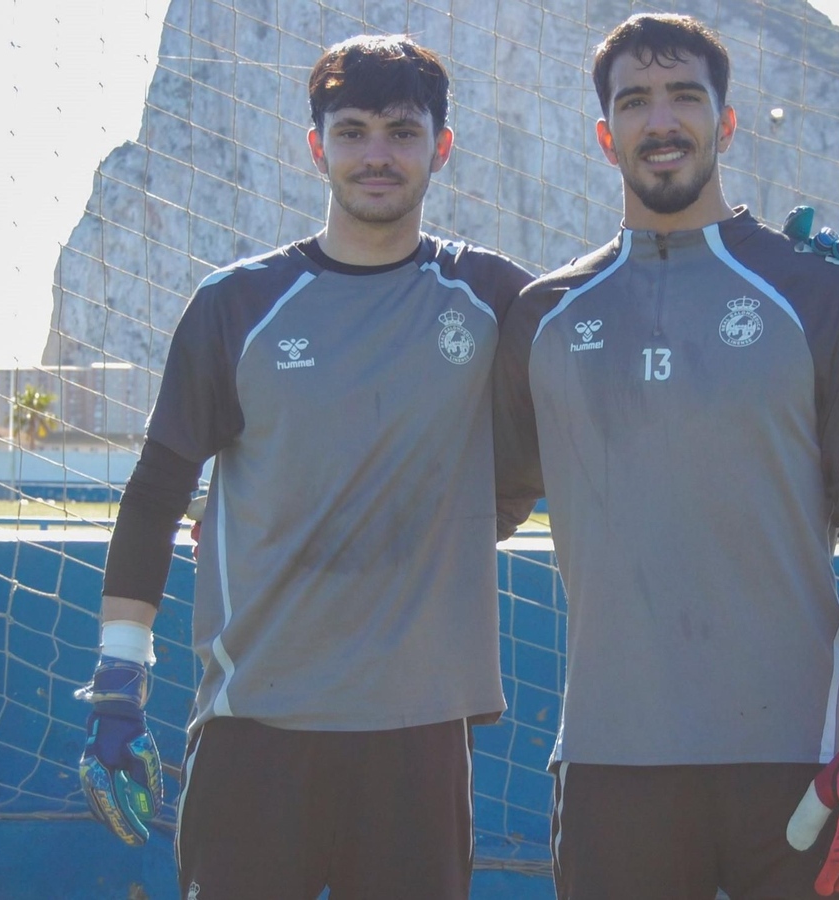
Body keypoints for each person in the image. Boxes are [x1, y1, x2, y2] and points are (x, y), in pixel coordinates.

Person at [73, 35, 533, 900]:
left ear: (442, 145)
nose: (377, 155)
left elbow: (619, 335)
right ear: (317, 146)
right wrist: (117, 684)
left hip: (418, 734)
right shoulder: (235, 304)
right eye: (352, 131)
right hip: (257, 726)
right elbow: (154, 494)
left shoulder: (494, 296)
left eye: (402, 131)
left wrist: (808, 287)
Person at [492, 13, 839, 900]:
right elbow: (476, 505)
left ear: (725, 123)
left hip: (798, 762)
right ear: (605, 134)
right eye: (636, 102)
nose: (663, 122)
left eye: (686, 96)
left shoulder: (824, 293)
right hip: (612, 763)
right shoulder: (543, 316)